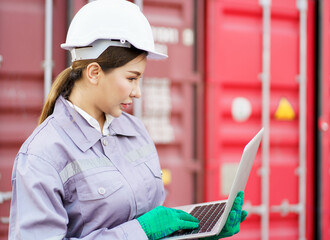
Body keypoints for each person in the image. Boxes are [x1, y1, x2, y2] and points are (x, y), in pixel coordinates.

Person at [8, 0, 247, 239]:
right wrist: (140, 231)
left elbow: (158, 229)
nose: (137, 92)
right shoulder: (42, 156)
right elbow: (146, 230)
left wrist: (203, 231)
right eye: (132, 78)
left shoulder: (135, 131)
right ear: (94, 73)